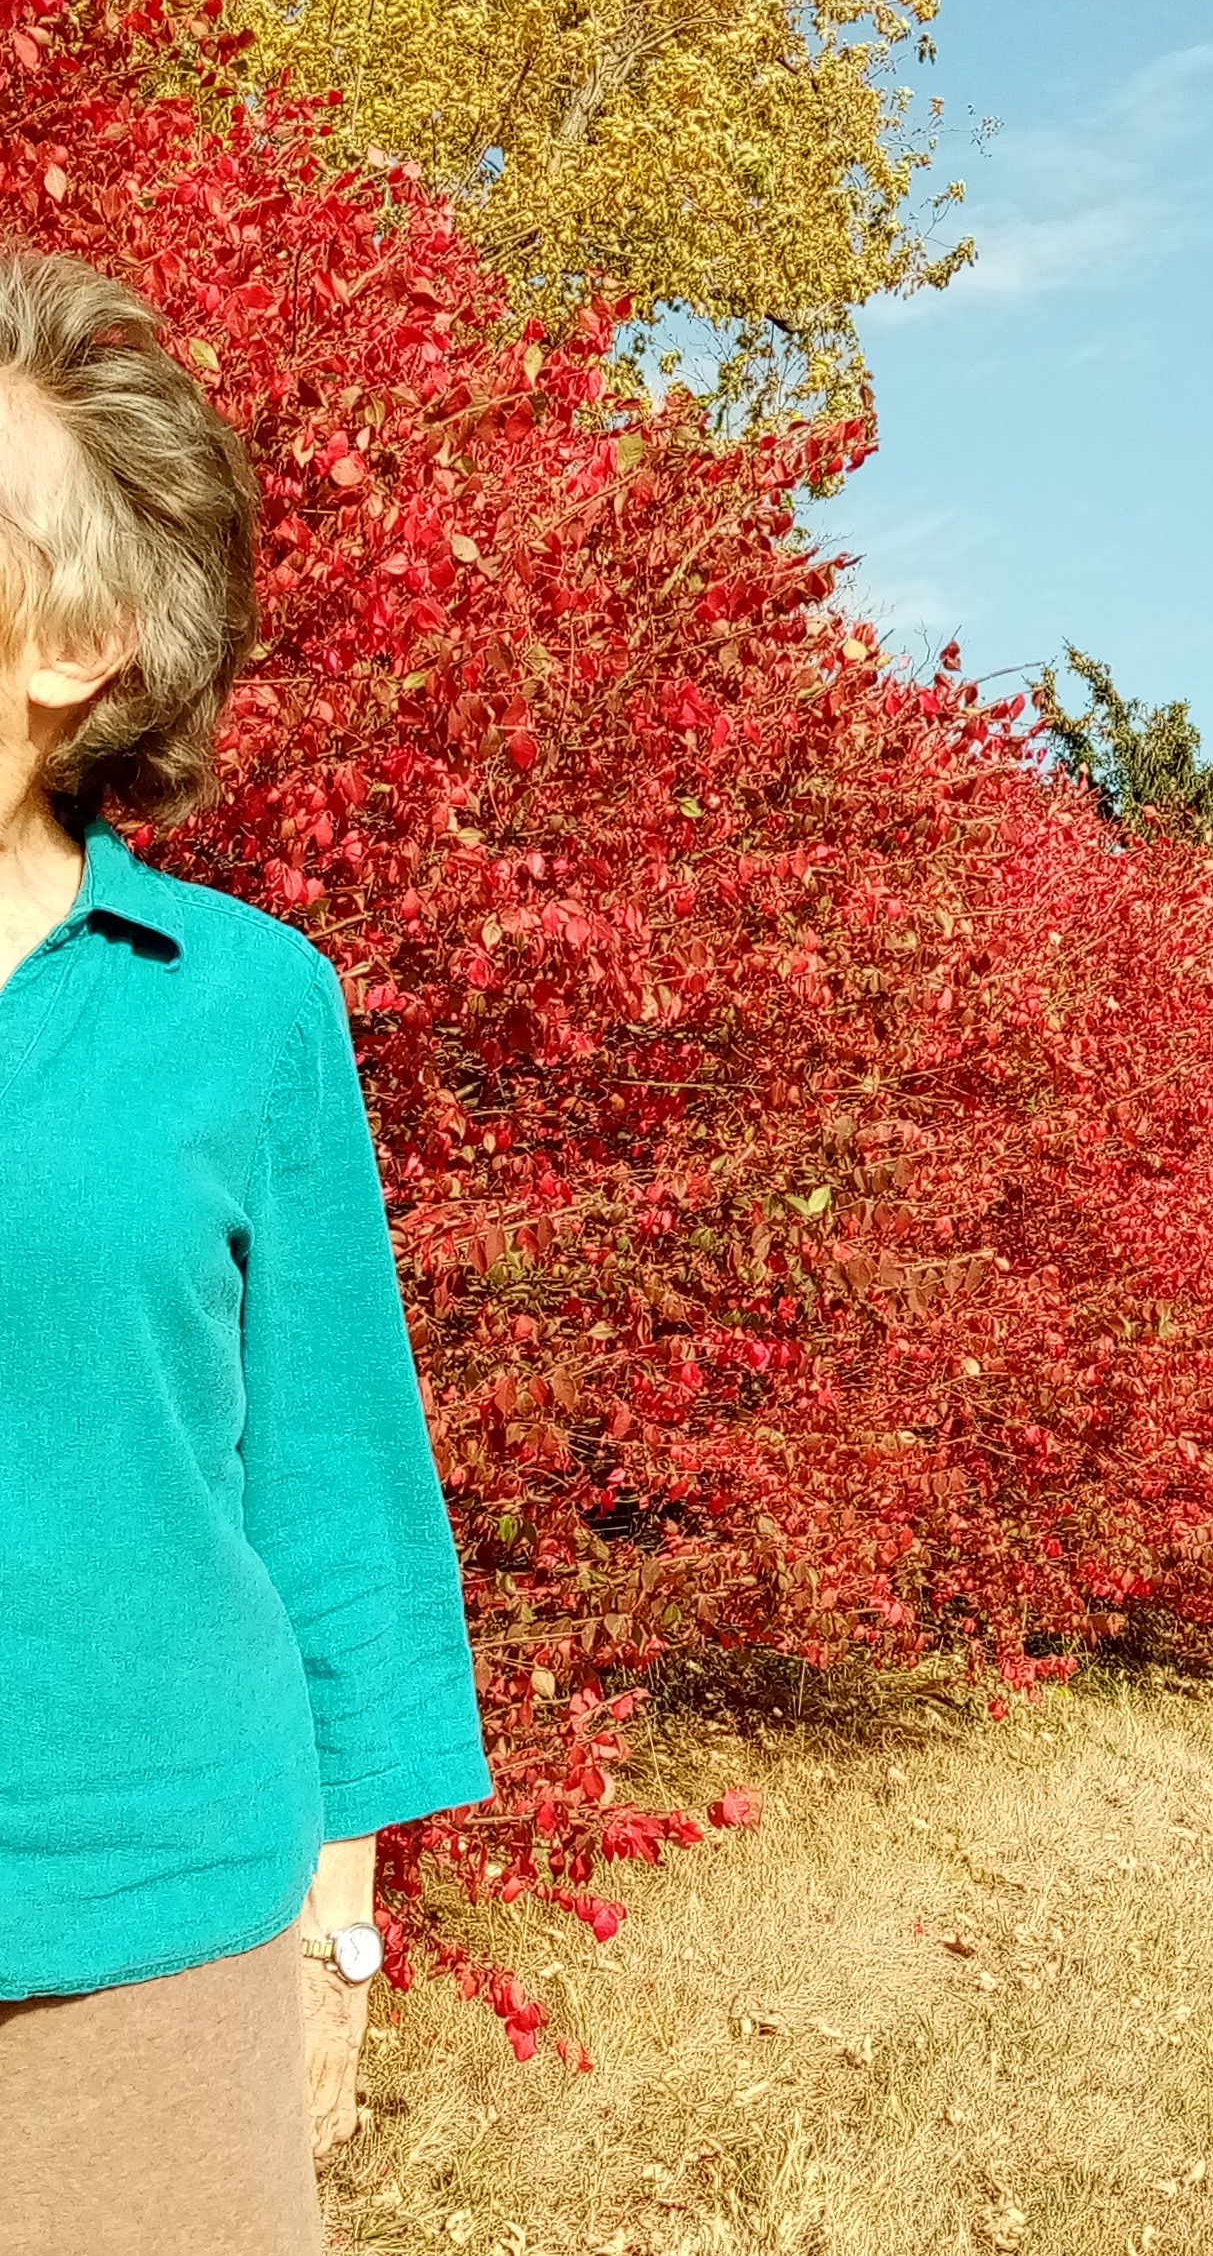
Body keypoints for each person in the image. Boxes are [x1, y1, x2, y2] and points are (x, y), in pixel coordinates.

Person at [0, 248, 491, 2253]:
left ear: (80, 642)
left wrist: (333, 1942)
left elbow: (333, 1484)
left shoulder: (237, 1006)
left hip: (148, 1947)